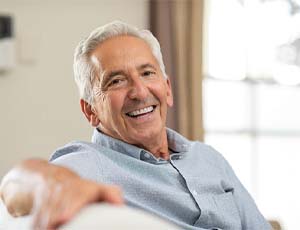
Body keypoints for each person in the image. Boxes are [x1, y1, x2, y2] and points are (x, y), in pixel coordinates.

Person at [0, 21, 272, 230]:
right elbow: (14, 186)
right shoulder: (90, 165)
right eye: (116, 81)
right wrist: (52, 184)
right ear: (90, 111)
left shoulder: (209, 158)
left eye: (147, 73)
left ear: (167, 89)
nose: (140, 92)